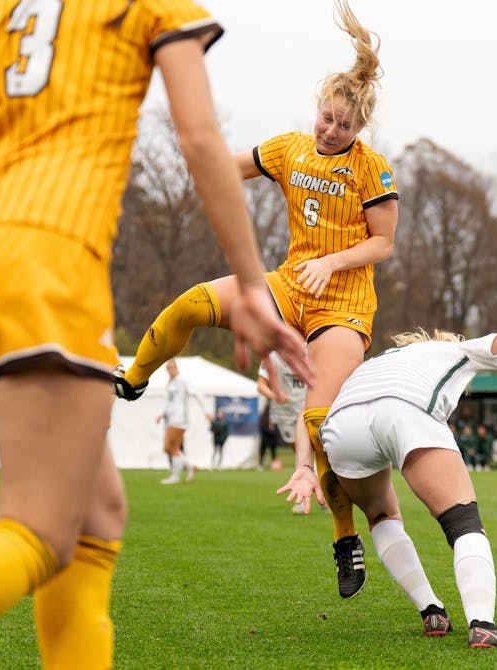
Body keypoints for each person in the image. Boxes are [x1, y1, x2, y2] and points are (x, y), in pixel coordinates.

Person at [0, 2, 312, 667]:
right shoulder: (146, 6)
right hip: (48, 256)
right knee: (38, 529)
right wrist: (250, 284)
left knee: (97, 517)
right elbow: (201, 141)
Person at [111, 0, 394, 598]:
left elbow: (383, 244)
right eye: (326, 118)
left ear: (358, 129)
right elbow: (220, 168)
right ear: (317, 110)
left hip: (342, 306)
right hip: (289, 285)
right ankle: (134, 377)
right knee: (191, 303)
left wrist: (332, 261)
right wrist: (192, 152)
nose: (330, 131)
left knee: (318, 423)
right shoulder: (290, 148)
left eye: (343, 126)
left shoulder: (372, 170)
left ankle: (345, 538)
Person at [278, 329, 497, 648]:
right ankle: (483, 625)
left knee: (381, 515)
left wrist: (304, 467)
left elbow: (311, 409)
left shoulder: (375, 363)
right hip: (403, 408)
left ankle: (431, 610)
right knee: (463, 521)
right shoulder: (455, 351)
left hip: (341, 425)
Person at [158, 359, 209, 484]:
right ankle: (191, 466)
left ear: (176, 367)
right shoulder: (171, 383)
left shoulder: (183, 381)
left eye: (171, 367)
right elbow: (170, 403)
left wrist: (206, 411)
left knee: (173, 448)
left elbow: (197, 393)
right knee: (167, 448)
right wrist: (162, 414)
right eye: (167, 368)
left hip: (180, 419)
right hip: (170, 419)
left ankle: (175, 477)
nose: (169, 370)